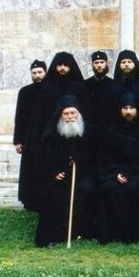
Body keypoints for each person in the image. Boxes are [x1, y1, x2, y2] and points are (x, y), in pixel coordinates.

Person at [34, 95, 97, 247]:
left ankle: (83, 231)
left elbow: (95, 154)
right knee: (53, 194)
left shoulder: (89, 131)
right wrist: (55, 171)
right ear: (60, 115)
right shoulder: (51, 133)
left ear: (79, 113)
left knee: (88, 189)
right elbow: (44, 157)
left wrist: (80, 159)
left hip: (83, 174)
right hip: (59, 176)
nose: (70, 117)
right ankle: (53, 235)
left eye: (73, 113)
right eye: (66, 114)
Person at [97, 93, 139, 243]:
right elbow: (105, 156)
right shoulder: (111, 130)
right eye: (125, 108)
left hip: (137, 174)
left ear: (137, 110)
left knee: (132, 189)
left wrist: (128, 174)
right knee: (108, 189)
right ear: (120, 110)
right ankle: (111, 235)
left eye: (132, 108)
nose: (128, 111)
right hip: (113, 173)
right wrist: (116, 174)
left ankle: (131, 236)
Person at [14, 59, 47, 211]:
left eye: (40, 72)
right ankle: (30, 201)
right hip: (29, 138)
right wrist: (18, 141)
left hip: (46, 138)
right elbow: (19, 117)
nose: (37, 75)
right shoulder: (25, 92)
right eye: (34, 73)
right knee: (30, 170)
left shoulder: (50, 90)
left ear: (45, 72)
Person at [111, 50, 139, 125]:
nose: (126, 64)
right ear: (119, 65)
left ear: (134, 64)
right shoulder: (112, 87)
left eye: (129, 62)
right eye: (123, 62)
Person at [84, 50, 114, 137]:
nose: (99, 65)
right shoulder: (85, 84)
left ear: (106, 63)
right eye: (96, 63)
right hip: (90, 130)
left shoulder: (113, 84)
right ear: (92, 64)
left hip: (109, 129)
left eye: (102, 62)